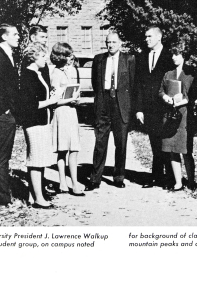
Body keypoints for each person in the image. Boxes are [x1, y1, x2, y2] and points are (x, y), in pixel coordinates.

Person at [18, 42, 73, 208]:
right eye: (42, 56)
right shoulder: (28, 75)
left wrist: (53, 95)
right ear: (33, 57)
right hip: (34, 122)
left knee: (39, 159)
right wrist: (52, 100)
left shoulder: (38, 72)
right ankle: (39, 199)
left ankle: (33, 196)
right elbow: (29, 105)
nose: (45, 59)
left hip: (42, 121)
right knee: (36, 160)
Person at [88, 30, 135, 189]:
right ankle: (95, 179)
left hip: (121, 105)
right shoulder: (99, 59)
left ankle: (119, 177)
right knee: (100, 142)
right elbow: (95, 83)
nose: (110, 45)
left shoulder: (128, 59)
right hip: (104, 102)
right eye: (108, 42)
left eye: (114, 42)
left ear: (120, 43)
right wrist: (101, 100)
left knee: (121, 143)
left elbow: (132, 84)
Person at [135, 25, 174, 188]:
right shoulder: (142, 57)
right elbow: (138, 84)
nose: (146, 39)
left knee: (166, 143)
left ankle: (170, 178)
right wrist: (138, 109)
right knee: (154, 143)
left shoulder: (169, 56)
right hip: (149, 109)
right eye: (145, 37)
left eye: (149, 36)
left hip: (165, 107)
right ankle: (156, 177)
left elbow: (174, 81)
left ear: (159, 37)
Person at [0, 24, 21, 206]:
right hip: (3, 114)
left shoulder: (8, 54)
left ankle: (3, 193)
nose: (18, 37)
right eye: (15, 34)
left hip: (8, 113)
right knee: (1, 155)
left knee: (4, 154)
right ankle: (1, 197)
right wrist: (4, 110)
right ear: (4, 37)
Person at [48, 42, 85, 196]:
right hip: (62, 113)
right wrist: (70, 100)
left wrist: (76, 99)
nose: (71, 58)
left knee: (74, 149)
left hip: (71, 112)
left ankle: (74, 183)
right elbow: (54, 100)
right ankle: (64, 183)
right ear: (61, 57)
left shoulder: (69, 71)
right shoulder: (56, 73)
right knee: (63, 150)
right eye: (68, 55)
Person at [158, 52, 194, 192]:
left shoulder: (190, 75)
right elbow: (161, 91)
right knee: (172, 149)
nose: (173, 57)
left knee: (185, 150)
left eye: (177, 54)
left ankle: (191, 181)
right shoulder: (168, 74)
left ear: (184, 56)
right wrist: (165, 97)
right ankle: (178, 182)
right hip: (169, 114)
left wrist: (183, 101)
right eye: (172, 54)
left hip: (184, 115)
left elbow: (192, 94)